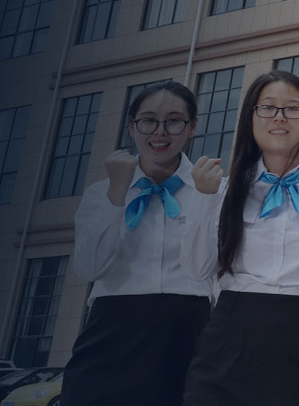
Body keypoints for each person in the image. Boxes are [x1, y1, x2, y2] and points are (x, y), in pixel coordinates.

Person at [183, 70, 299, 406]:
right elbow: (197, 270)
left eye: (292, 108)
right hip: (232, 333)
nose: (279, 117)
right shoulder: (225, 188)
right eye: (268, 107)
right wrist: (203, 199)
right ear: (250, 117)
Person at [68, 81, 215, 406]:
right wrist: (116, 194)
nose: (159, 132)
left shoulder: (213, 189)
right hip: (112, 330)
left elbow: (210, 269)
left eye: (173, 121)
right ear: (132, 127)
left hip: (186, 330)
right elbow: (89, 268)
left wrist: (206, 198)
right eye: (148, 120)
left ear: (192, 127)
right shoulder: (101, 192)